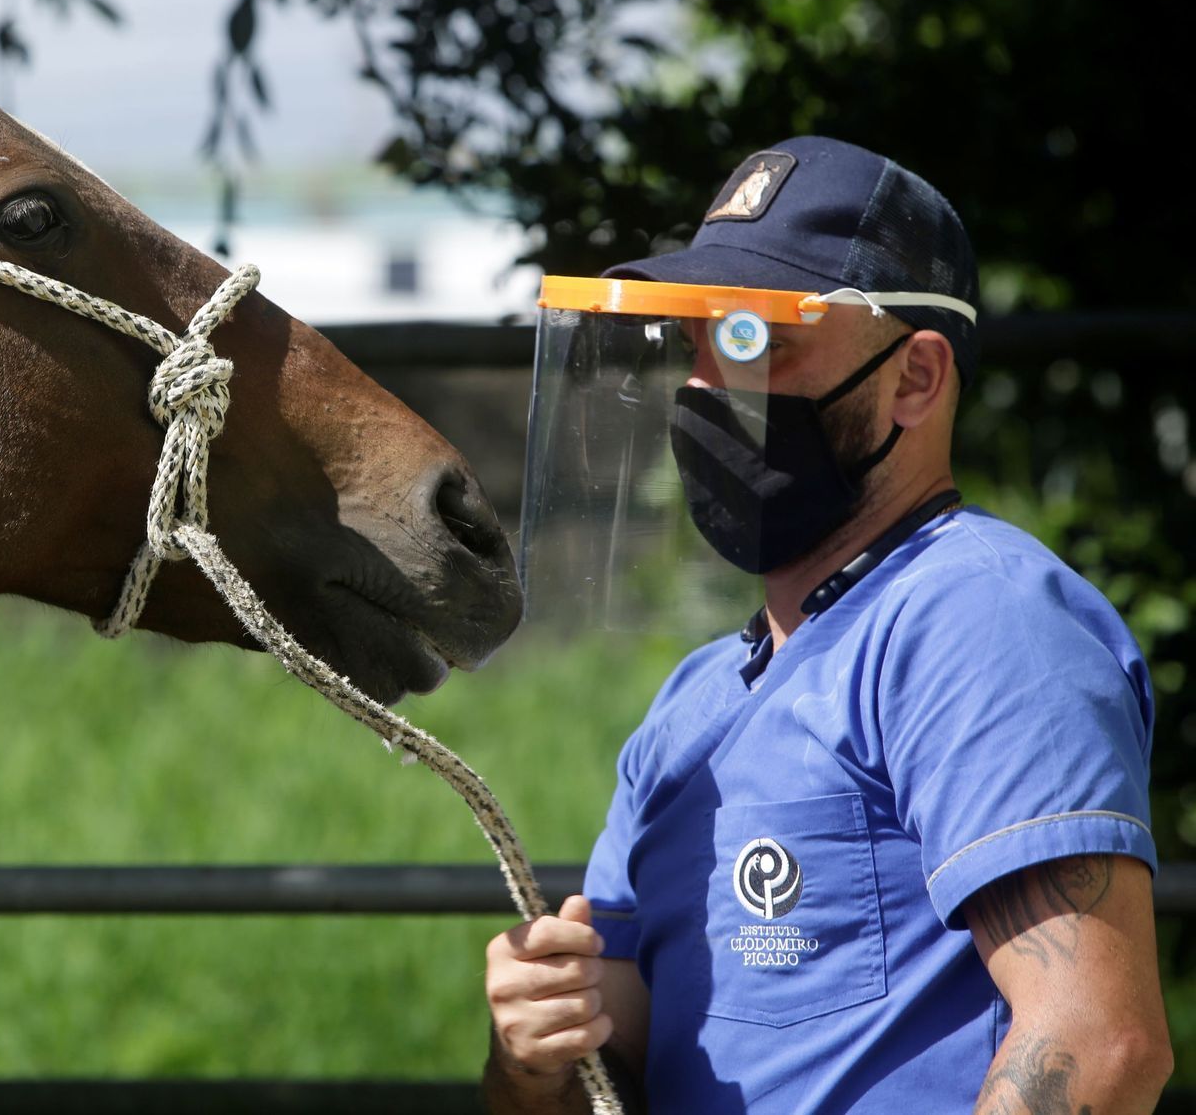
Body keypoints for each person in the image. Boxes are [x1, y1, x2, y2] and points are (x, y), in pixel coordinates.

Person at [483, 137, 1172, 1113]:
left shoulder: (979, 618)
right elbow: (604, 1072)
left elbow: (1100, 1046)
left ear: (915, 379)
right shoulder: (697, 697)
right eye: (696, 343)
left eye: (757, 341)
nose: (703, 392)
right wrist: (531, 1054)